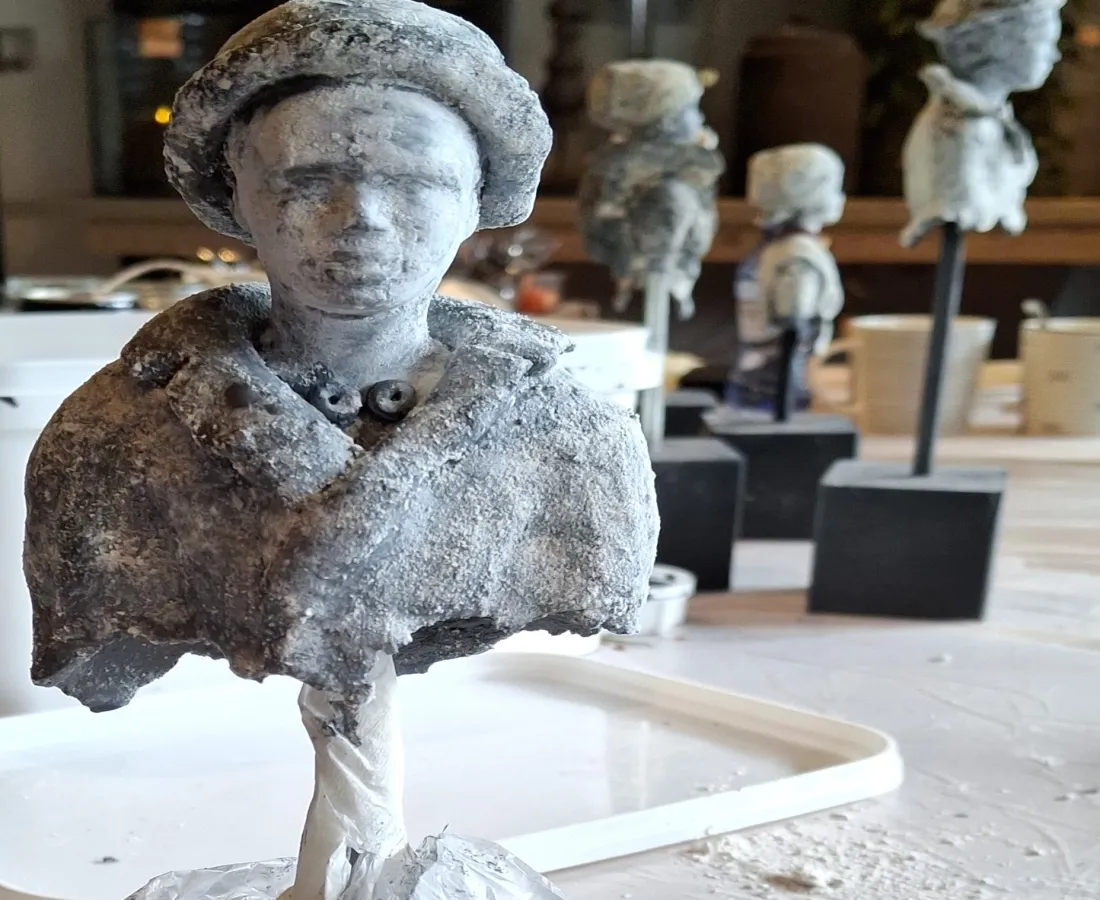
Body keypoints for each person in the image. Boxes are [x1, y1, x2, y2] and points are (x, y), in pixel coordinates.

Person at [24, 0, 659, 713]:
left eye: (415, 183)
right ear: (236, 196)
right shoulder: (110, 436)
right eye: (309, 182)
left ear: (476, 200)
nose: (362, 218)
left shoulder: (576, 440)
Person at [902, 0, 1065, 248]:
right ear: (997, 43)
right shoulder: (957, 128)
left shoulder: (991, 119)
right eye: (1042, 43)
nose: (1054, 55)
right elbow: (965, 202)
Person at [727, 144, 846, 416]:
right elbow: (793, 317)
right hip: (774, 383)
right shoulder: (797, 256)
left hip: (766, 375)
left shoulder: (779, 249)